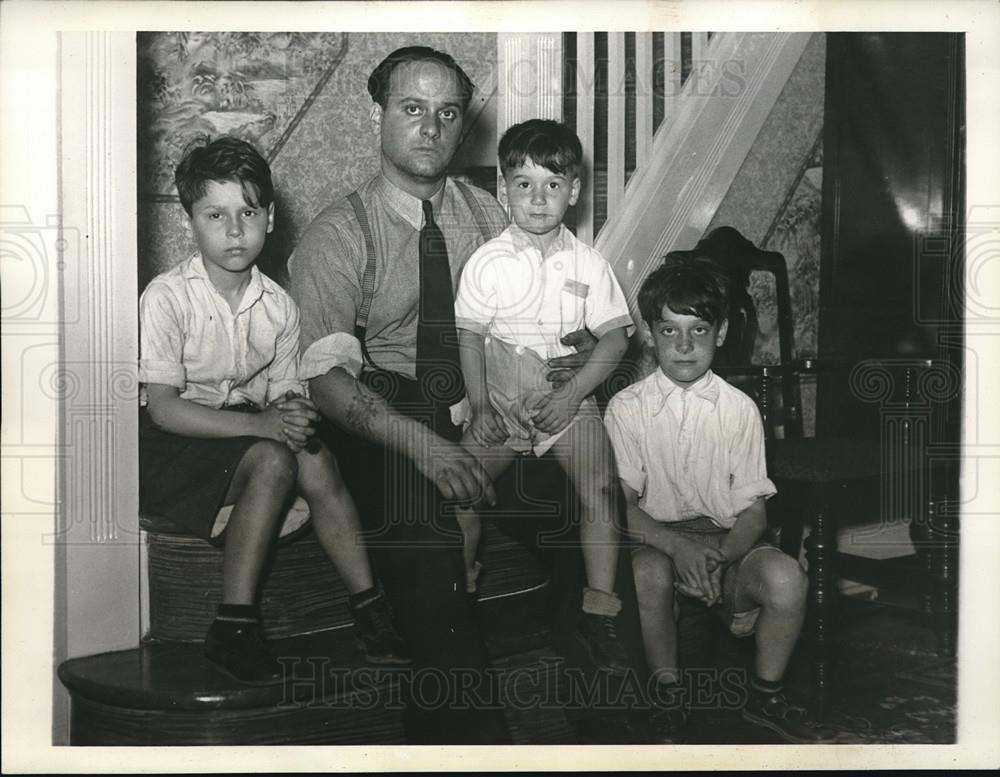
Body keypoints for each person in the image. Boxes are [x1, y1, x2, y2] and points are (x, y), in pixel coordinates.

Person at [289, 47, 646, 744]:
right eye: (412, 108)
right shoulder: (338, 233)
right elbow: (326, 381)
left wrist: (563, 364)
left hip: (491, 406)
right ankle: (471, 745)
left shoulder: (495, 215)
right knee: (429, 526)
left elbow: (567, 318)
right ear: (379, 114)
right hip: (383, 419)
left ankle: (614, 732)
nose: (430, 126)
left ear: (464, 127)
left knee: (583, 510)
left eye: (447, 112)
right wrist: (423, 444)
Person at [138, 136, 410, 686]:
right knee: (273, 460)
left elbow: (284, 395)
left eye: (248, 212)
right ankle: (233, 624)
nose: (235, 230)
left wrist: (294, 415)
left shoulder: (280, 306)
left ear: (270, 215)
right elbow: (164, 410)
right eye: (216, 214)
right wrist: (264, 426)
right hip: (172, 445)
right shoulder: (166, 297)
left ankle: (369, 607)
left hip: (239, 436)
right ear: (190, 219)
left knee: (314, 456)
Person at [603, 253, 836, 744]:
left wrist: (721, 558)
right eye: (669, 331)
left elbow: (753, 510)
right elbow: (620, 507)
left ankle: (765, 694)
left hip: (728, 543)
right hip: (659, 540)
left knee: (787, 578)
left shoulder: (739, 409)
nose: (684, 345)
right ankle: (668, 695)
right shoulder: (627, 409)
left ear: (722, 332)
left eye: (699, 331)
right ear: (648, 334)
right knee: (646, 571)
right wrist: (678, 549)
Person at [453, 119, 632, 674]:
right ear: (504, 190)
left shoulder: (588, 263)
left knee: (600, 487)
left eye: (552, 185)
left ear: (573, 192)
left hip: (562, 393)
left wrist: (575, 393)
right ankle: (460, 593)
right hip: (502, 395)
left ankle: (600, 609)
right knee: (456, 489)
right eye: (523, 184)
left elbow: (617, 338)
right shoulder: (488, 261)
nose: (537, 199)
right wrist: (481, 405)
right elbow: (470, 338)